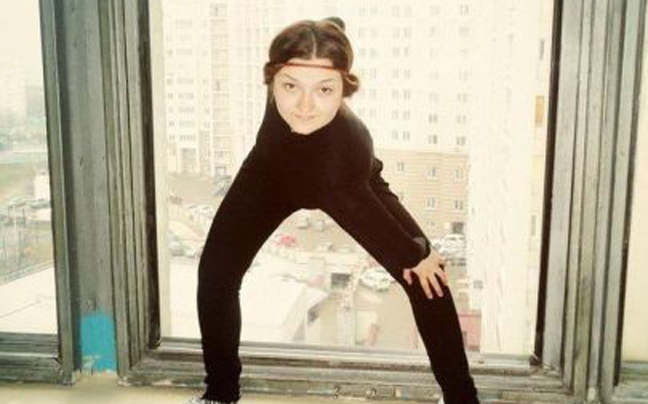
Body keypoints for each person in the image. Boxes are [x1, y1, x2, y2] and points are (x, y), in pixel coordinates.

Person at [188, 17, 480, 404]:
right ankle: (221, 393)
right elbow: (309, 63)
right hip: (270, 171)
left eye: (325, 89)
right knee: (215, 276)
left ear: (345, 87)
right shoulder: (290, 85)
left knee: (427, 278)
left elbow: (386, 234)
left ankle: (462, 399)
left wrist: (417, 254)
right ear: (272, 79)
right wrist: (329, 28)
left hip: (344, 178)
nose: (304, 106)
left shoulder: (340, 162)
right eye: (290, 86)